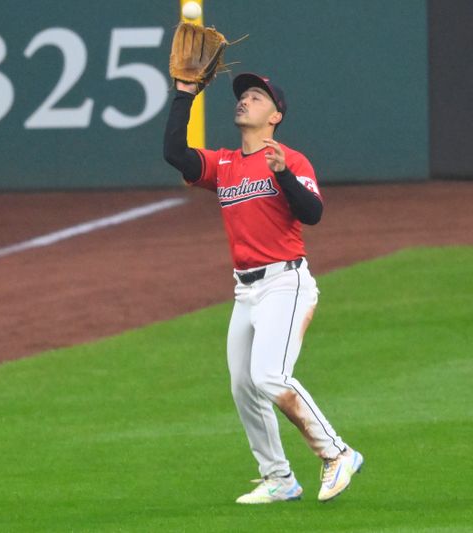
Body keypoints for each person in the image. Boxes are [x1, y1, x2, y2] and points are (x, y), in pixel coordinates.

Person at [163, 73, 363, 504]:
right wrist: (183, 96)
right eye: (242, 96)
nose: (244, 101)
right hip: (246, 291)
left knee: (269, 376)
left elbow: (312, 214)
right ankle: (279, 477)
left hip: (285, 284)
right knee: (243, 385)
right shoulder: (224, 165)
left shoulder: (291, 159)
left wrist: (284, 175)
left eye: (255, 97)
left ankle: (338, 453)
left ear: (275, 116)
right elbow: (175, 154)